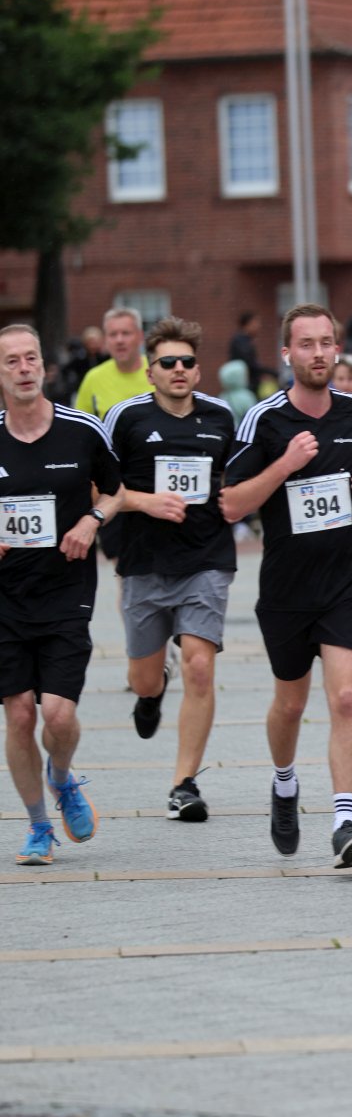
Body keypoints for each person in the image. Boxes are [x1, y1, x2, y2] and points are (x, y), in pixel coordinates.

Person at [221, 304, 352, 868]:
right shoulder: (263, 420)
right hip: (287, 589)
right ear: (287, 353)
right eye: (306, 344)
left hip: (346, 582)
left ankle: (344, 822)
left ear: (338, 349)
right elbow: (231, 505)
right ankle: (285, 783)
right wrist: (284, 465)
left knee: (345, 697)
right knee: (290, 705)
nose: (318, 353)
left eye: (326, 343)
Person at [0, 324, 123, 865]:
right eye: (12, 361)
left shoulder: (81, 430)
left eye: (31, 358)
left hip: (66, 591)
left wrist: (91, 520)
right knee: (19, 716)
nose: (24, 368)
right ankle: (37, 826)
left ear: (44, 365)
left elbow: (117, 491)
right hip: (6, 598)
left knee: (57, 717)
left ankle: (62, 775)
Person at [105, 318, 236, 822]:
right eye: (167, 362)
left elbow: (239, 478)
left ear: (198, 371)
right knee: (142, 679)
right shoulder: (126, 418)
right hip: (145, 562)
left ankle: (184, 784)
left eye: (187, 362)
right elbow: (99, 487)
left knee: (200, 666)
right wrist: (147, 502)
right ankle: (153, 686)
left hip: (206, 559)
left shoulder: (221, 417)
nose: (178, 369)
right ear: (150, 371)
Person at [74, 307, 149, 567]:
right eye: (113, 334)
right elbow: (79, 433)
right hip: (111, 483)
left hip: (152, 481)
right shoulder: (94, 379)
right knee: (124, 569)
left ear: (140, 336)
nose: (119, 340)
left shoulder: (158, 370)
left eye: (126, 333)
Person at [228, 310, 265, 393]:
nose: (259, 326)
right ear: (247, 324)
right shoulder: (241, 342)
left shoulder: (244, 341)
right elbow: (250, 363)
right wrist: (268, 372)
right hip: (247, 386)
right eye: (255, 323)